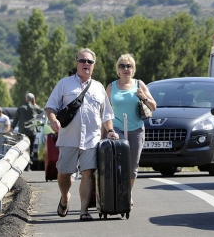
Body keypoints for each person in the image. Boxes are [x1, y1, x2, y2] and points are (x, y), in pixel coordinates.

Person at [45, 48, 118, 221]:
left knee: (87, 173)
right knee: (64, 174)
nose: (86, 64)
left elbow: (106, 115)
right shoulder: (64, 84)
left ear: (94, 65)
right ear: (76, 63)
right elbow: (50, 106)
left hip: (91, 139)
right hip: (68, 138)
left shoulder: (99, 88)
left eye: (90, 62)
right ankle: (65, 197)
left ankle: (83, 211)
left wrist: (110, 131)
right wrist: (53, 119)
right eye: (83, 61)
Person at [106, 53, 156, 210]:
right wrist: (105, 131)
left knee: (133, 166)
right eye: (122, 66)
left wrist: (143, 97)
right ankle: (116, 193)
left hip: (136, 130)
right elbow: (105, 111)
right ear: (118, 70)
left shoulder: (139, 84)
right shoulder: (111, 87)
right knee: (119, 163)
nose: (126, 69)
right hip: (117, 128)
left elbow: (154, 106)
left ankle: (127, 194)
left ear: (133, 70)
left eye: (129, 66)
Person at [11, 93, 44, 167]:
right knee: (31, 148)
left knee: (23, 147)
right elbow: (41, 111)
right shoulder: (34, 107)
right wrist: (34, 103)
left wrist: (12, 128)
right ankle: (30, 161)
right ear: (33, 99)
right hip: (32, 131)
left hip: (23, 131)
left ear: (26, 99)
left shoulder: (21, 108)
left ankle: (23, 164)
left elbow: (16, 118)